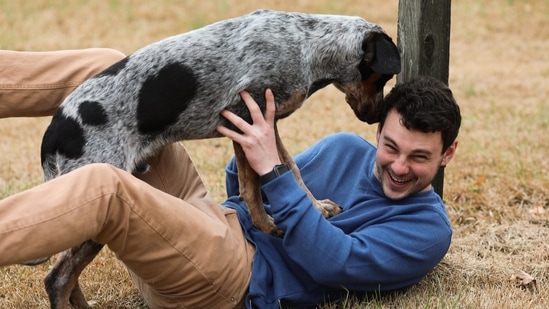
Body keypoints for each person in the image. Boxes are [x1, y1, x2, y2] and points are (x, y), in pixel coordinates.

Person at [0, 49, 461, 309]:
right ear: (378, 130)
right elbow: (240, 189)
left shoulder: (427, 230)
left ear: (448, 154)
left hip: (230, 278)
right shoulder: (345, 147)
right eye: (391, 147)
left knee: (105, 185)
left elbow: (334, 263)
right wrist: (249, 141)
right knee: (108, 68)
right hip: (206, 222)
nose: (399, 167)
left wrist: (274, 170)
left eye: (419, 158)